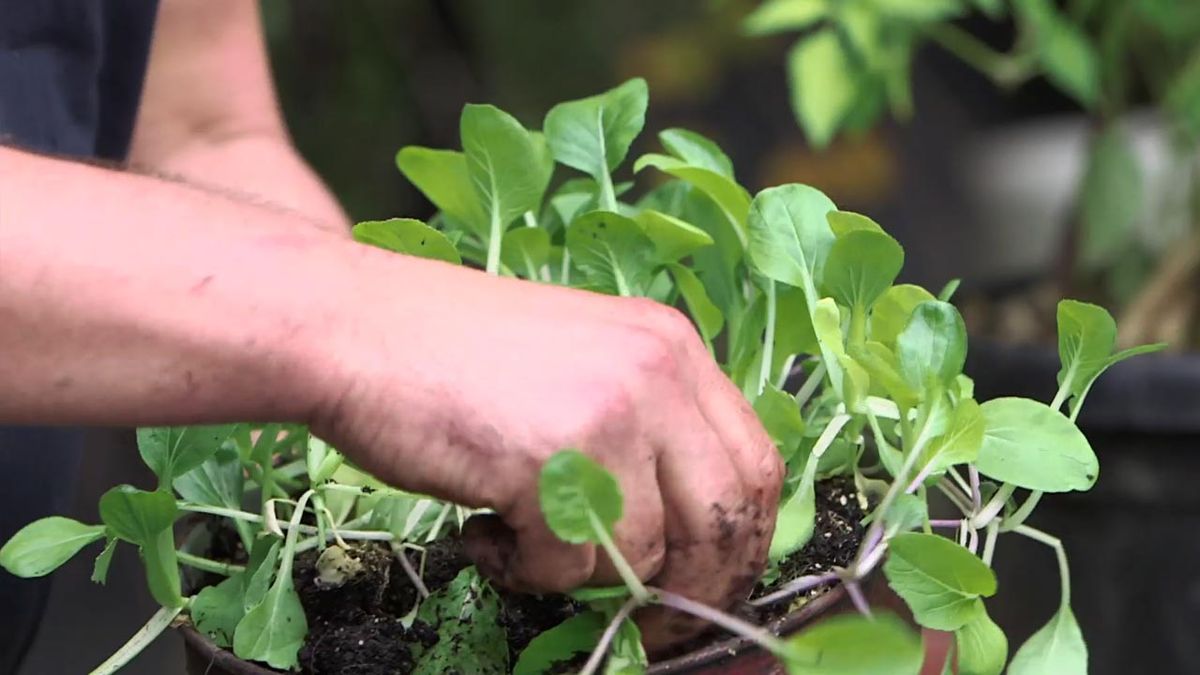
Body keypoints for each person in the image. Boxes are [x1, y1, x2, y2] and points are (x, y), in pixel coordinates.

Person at [0, 1, 782, 669]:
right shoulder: (344, 319)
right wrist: (355, 327)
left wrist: (348, 477)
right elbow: (353, 328)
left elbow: (201, 129)